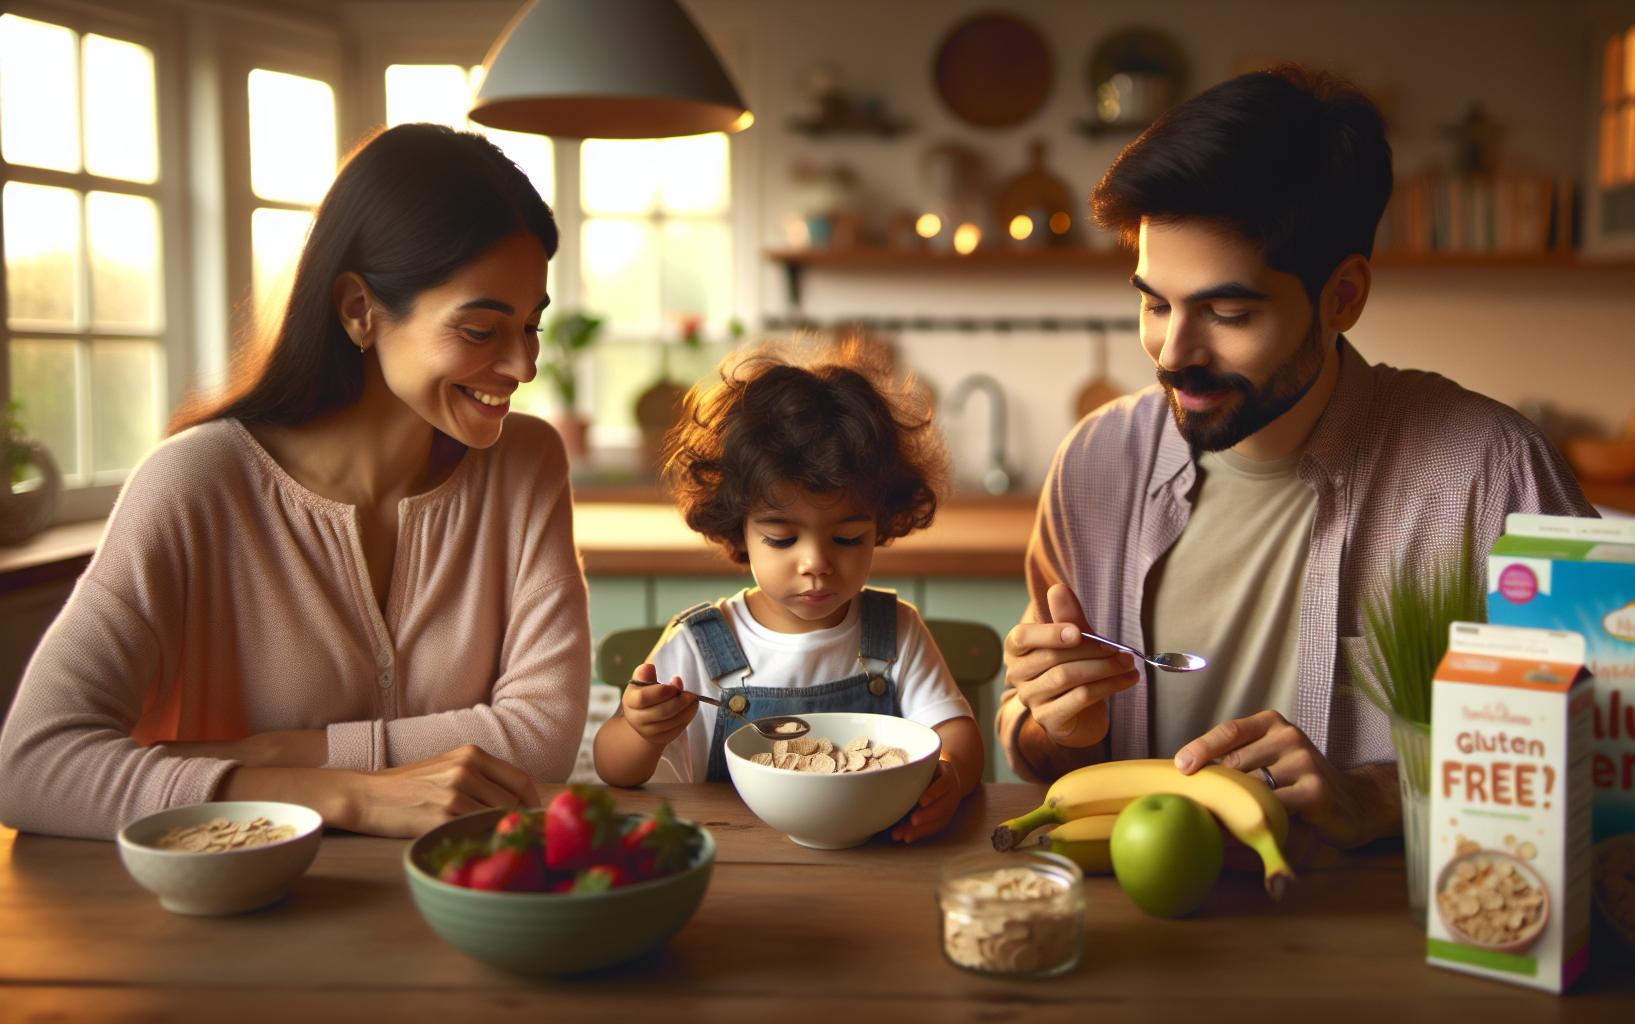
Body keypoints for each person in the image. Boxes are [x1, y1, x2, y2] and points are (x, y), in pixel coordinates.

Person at [997, 66, 1594, 853]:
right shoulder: (1097, 461)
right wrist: (1055, 725)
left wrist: (1379, 792)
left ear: (1342, 296)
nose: (1173, 354)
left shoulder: (1490, 473)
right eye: (1153, 303)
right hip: (1130, 932)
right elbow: (1036, 736)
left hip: (1391, 938)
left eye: (1229, 312)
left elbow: (1597, 755)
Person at [0, 124, 590, 841]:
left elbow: (542, 736)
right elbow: (31, 765)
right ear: (358, 310)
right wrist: (347, 794)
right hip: (244, 917)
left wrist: (268, 752)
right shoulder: (196, 484)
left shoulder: (524, 463)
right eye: (480, 331)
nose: (523, 366)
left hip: (475, 901)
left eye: (530, 325)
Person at [594, 343, 982, 842]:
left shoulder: (896, 630)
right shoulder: (701, 643)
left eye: (847, 539)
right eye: (781, 539)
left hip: (879, 864)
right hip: (741, 865)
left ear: (880, 525)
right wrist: (638, 730)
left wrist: (949, 775)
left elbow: (956, 734)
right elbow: (614, 768)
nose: (816, 563)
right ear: (738, 530)